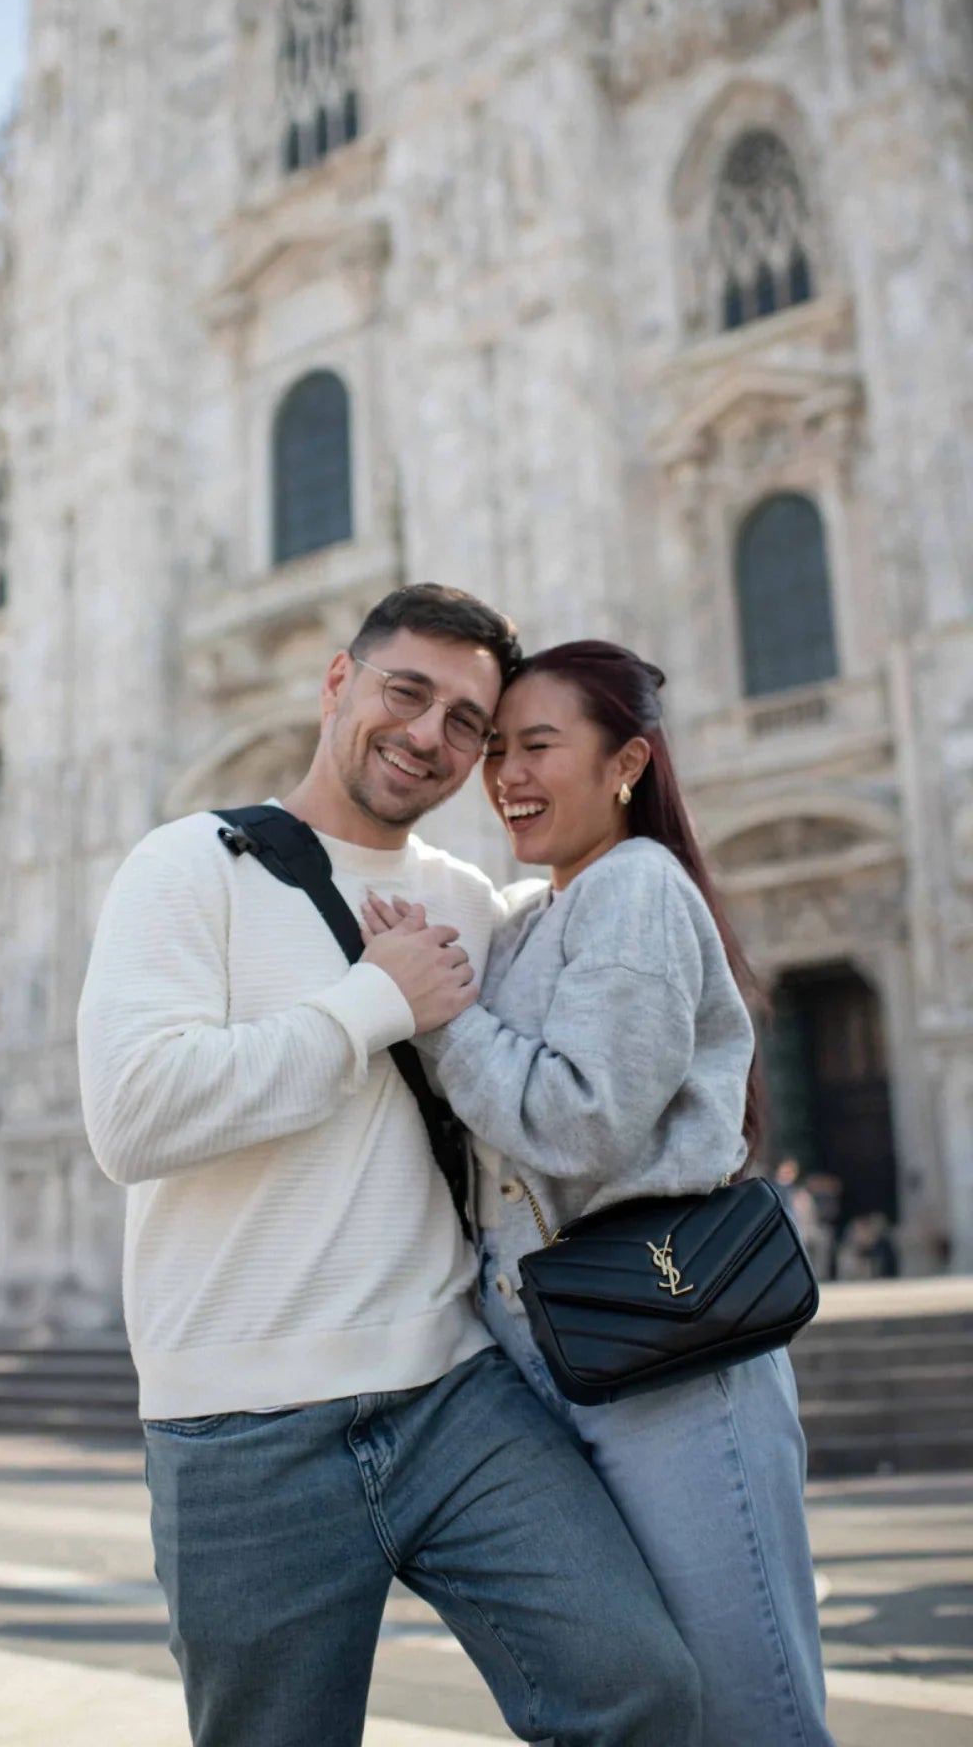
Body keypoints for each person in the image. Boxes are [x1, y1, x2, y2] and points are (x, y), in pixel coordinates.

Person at [78, 588, 700, 1747]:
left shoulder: (472, 903)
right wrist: (371, 1002)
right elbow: (131, 1116)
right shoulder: (189, 865)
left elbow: (576, 1074)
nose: (427, 735)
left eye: (466, 723)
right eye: (404, 692)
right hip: (238, 1427)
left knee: (640, 1688)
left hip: (453, 1394)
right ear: (338, 683)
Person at [363, 640, 833, 1747]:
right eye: (496, 751)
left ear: (625, 764)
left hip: (670, 1356)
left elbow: (581, 1122)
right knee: (650, 1698)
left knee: (749, 1711)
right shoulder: (536, 915)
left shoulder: (634, 887)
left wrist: (441, 1018)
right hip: (567, 1348)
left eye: (539, 747)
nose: (507, 777)